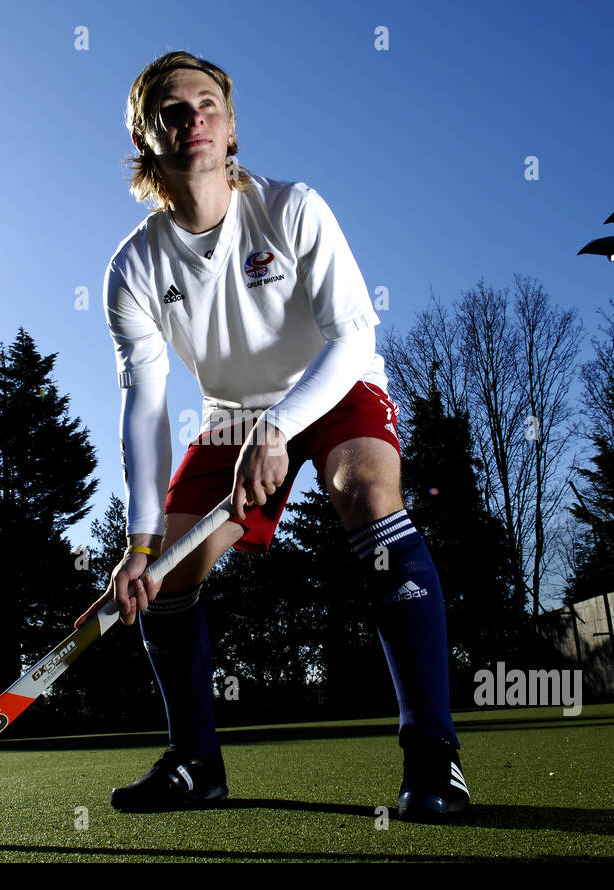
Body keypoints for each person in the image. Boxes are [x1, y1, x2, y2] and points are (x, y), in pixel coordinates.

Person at [74, 50, 469, 823]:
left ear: (230, 131)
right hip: (231, 417)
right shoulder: (133, 268)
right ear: (145, 139)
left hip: (333, 385)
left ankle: (433, 757)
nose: (194, 120)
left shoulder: (293, 208)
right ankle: (195, 762)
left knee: (365, 491)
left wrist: (283, 428)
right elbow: (147, 408)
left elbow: (353, 336)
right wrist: (141, 539)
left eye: (208, 106)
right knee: (168, 578)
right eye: (173, 111)